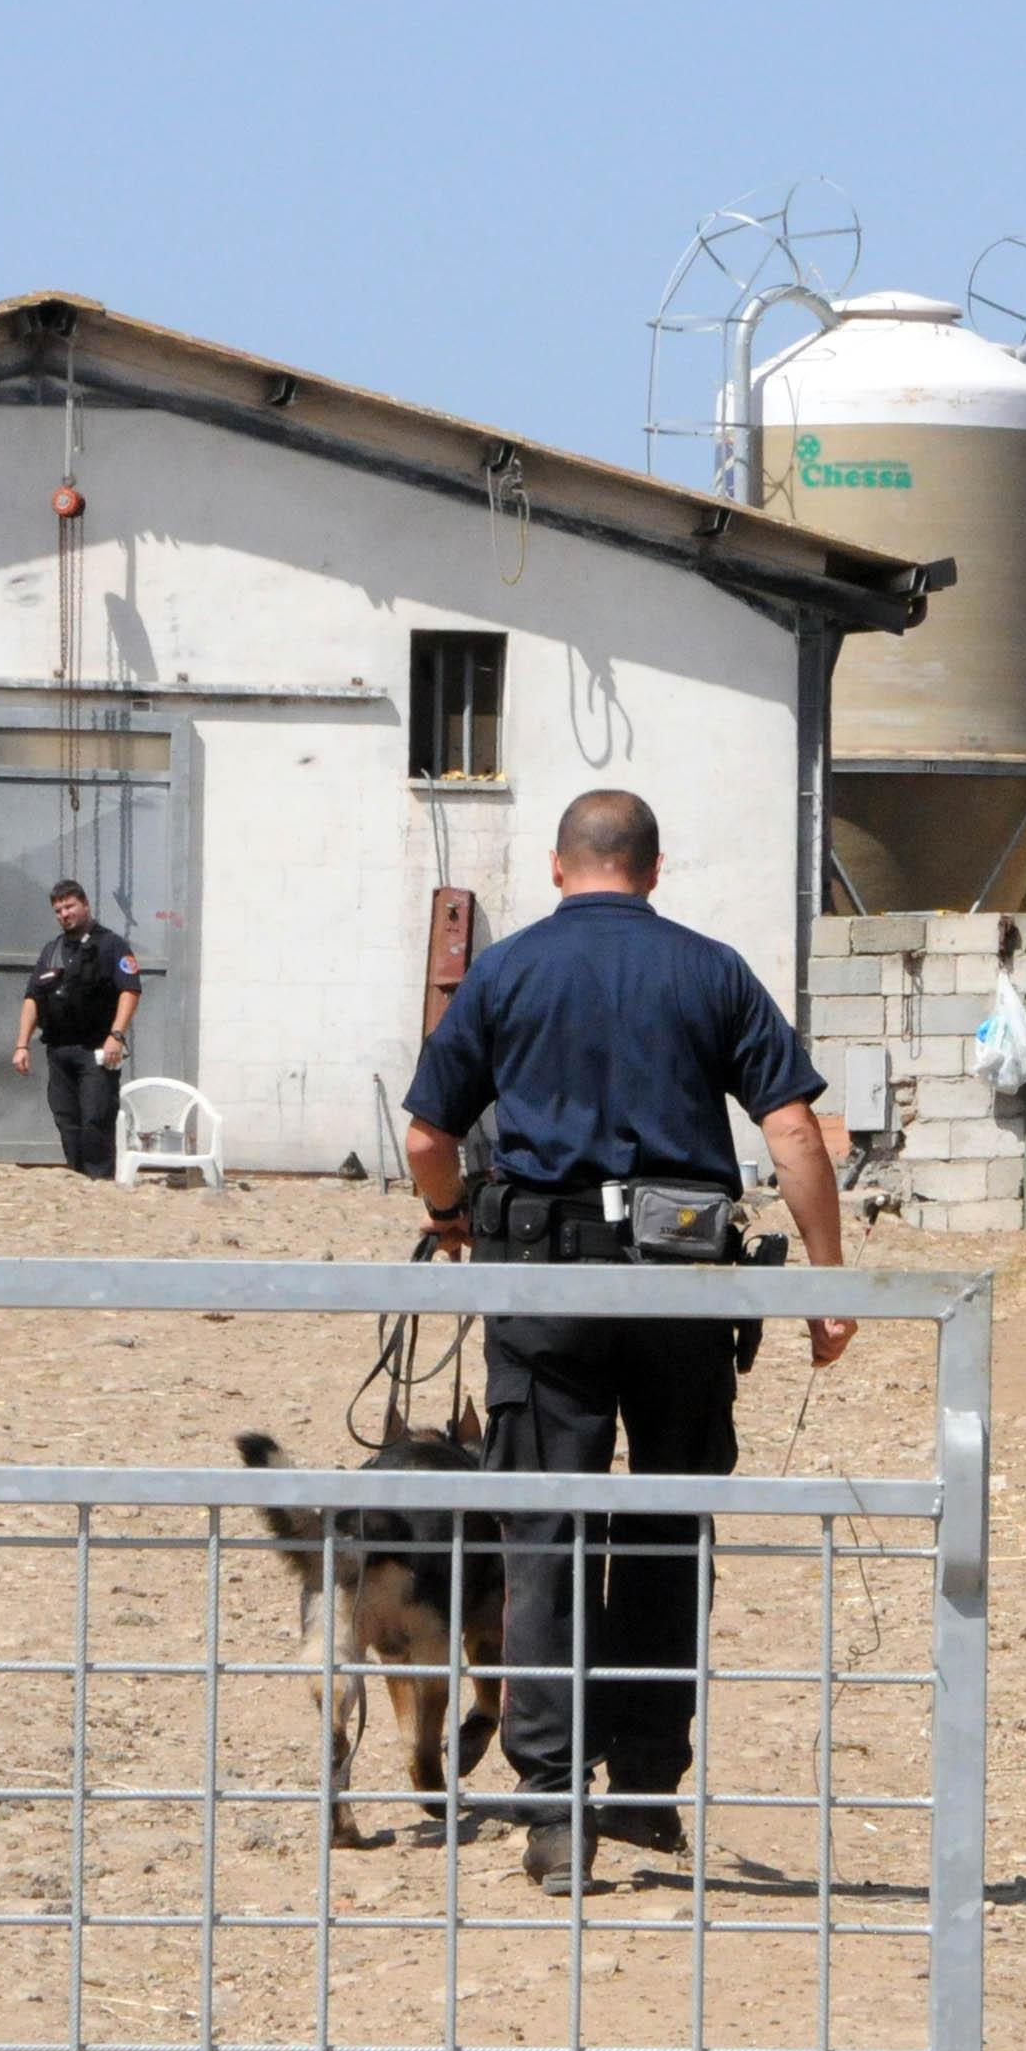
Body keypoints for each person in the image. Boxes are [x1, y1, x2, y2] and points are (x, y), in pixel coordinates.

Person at [402, 788, 853, 1895]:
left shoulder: (504, 973)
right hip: (682, 1287)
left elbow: (427, 1134)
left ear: (559, 868)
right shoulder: (710, 968)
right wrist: (828, 1284)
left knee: (545, 1532)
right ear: (652, 870)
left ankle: (553, 1809)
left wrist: (453, 1220)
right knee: (666, 1525)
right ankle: (647, 1786)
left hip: (545, 1284)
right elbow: (791, 1127)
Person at [12, 879, 140, 1179]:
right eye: (58, 910)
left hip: (96, 1050)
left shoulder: (111, 945)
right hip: (59, 1049)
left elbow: (130, 990)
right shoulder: (52, 950)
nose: (64, 914)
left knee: (96, 1117)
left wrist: (117, 1035)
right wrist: (22, 1044)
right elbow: (33, 998)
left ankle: (101, 1180)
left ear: (85, 905)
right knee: (66, 1118)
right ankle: (79, 1177)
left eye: (69, 906)